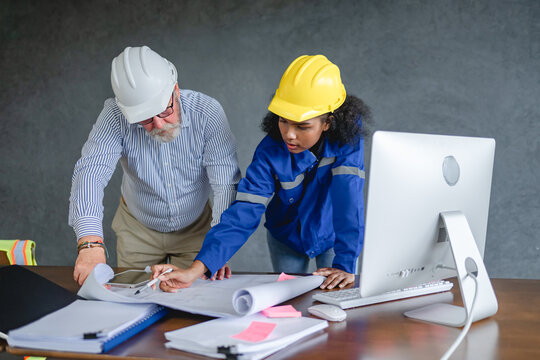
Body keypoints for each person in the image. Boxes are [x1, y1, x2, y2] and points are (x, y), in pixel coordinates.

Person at [151, 54, 371, 290]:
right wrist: (196, 269)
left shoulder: (348, 143)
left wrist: (346, 264)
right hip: (286, 237)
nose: (289, 134)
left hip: (334, 237)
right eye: (284, 121)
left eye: (302, 126)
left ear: (328, 122)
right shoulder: (269, 152)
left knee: (337, 297)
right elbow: (243, 213)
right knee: (291, 300)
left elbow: (349, 202)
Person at [69, 46, 241, 285]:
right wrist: (90, 244)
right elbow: (90, 173)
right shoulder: (115, 116)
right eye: (146, 119)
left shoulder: (208, 113)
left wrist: (219, 248)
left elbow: (226, 184)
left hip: (197, 230)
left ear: (176, 89)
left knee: (194, 304)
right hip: (137, 230)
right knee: (133, 300)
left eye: (164, 110)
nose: (159, 125)